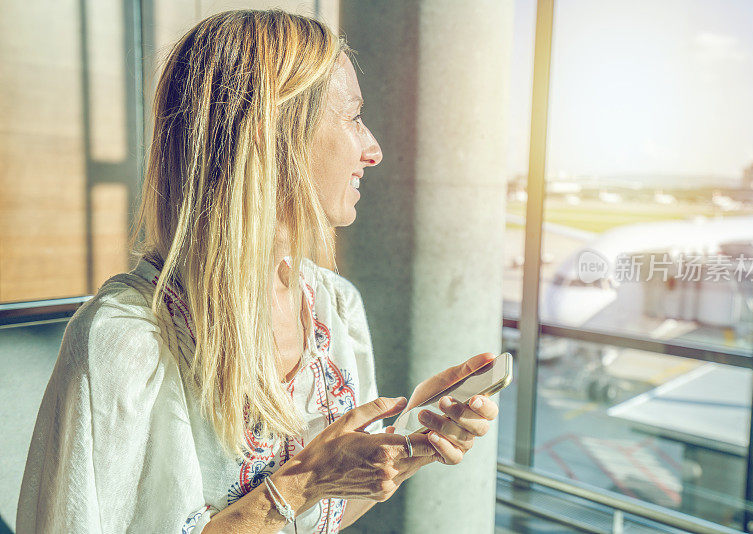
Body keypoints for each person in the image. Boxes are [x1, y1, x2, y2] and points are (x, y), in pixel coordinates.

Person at [16, 9, 498, 534]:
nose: (374, 149)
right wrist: (302, 482)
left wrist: (407, 449)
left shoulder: (336, 308)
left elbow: (323, 518)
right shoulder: (127, 342)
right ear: (274, 134)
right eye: (354, 117)